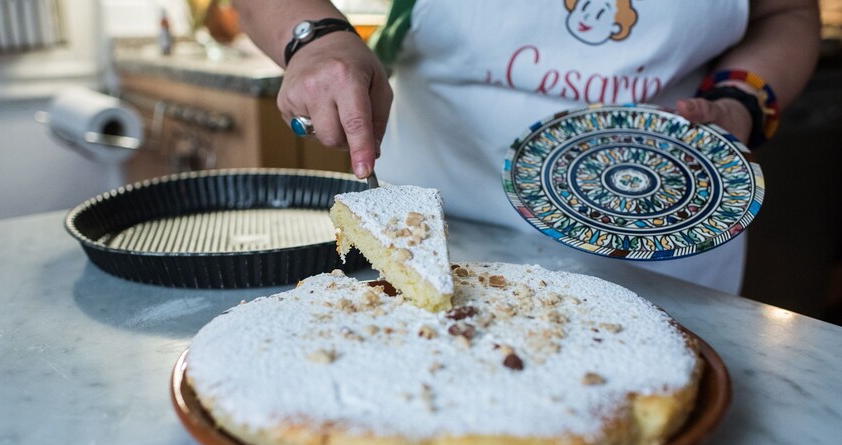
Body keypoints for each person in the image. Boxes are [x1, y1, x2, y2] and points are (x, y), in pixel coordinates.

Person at [233, 0, 821, 294]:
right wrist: (312, 38)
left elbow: (787, 11)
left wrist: (741, 102)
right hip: (434, 232)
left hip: (664, 238)